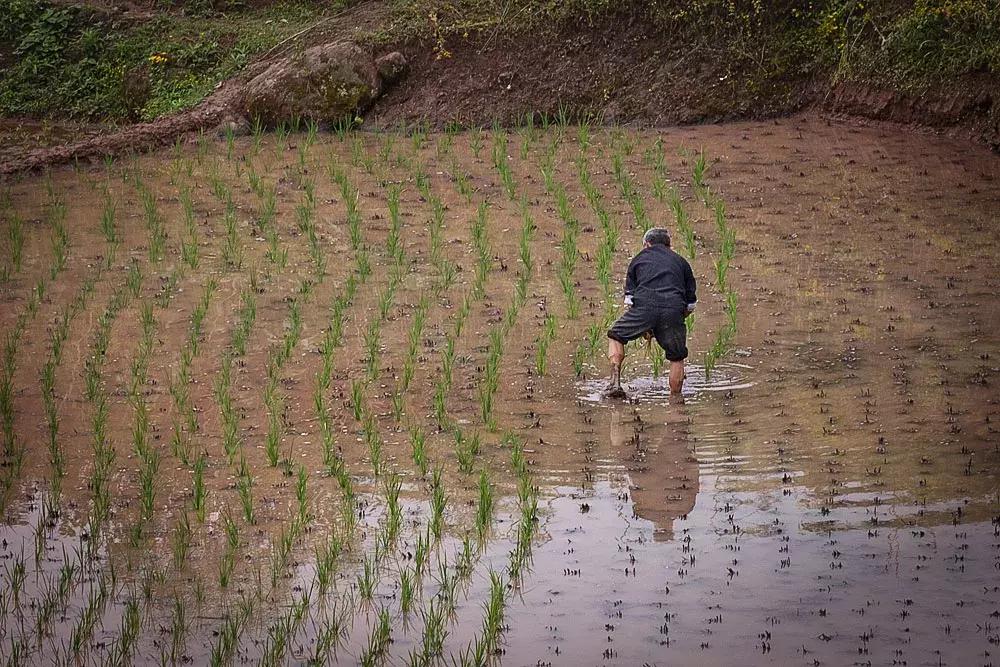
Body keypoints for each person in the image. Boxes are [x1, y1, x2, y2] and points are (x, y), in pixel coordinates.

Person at [605, 227, 696, 400]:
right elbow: (690, 304)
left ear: (646, 245)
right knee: (677, 356)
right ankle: (676, 403)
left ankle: (615, 382)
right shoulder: (681, 262)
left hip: (645, 306)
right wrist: (671, 320)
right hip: (674, 307)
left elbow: (630, 300)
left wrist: (647, 324)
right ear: (669, 246)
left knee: (615, 335)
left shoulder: (639, 259)